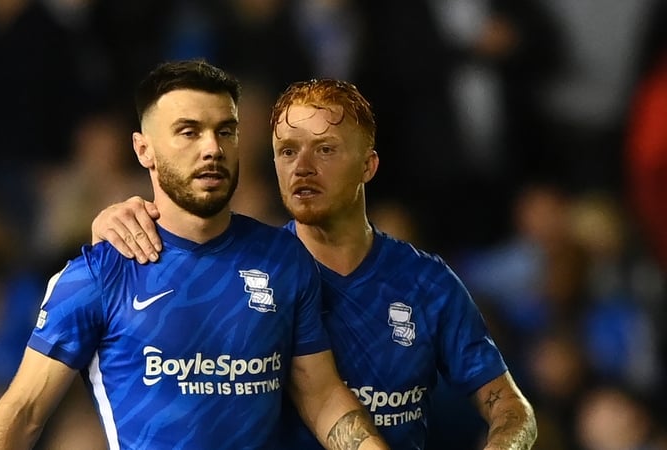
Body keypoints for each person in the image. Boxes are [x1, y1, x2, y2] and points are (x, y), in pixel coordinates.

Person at [91, 78, 538, 449]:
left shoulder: (427, 282)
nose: (302, 166)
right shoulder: (241, 268)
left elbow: (509, 406)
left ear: (369, 165)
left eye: (324, 149)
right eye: (287, 151)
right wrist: (111, 226)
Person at [0, 60, 388, 450]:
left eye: (226, 131)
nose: (212, 148)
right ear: (144, 150)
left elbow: (320, 394)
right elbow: (24, 411)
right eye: (189, 132)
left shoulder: (283, 258)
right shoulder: (99, 273)